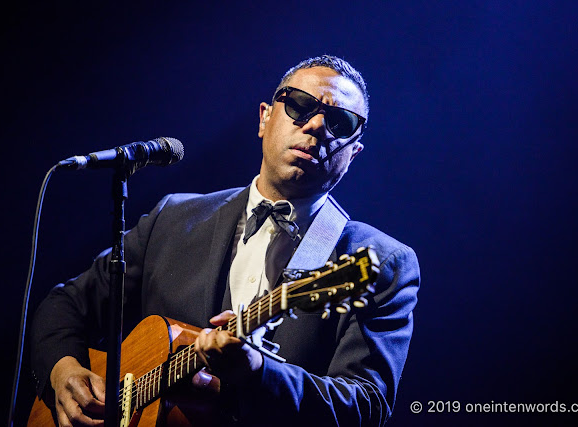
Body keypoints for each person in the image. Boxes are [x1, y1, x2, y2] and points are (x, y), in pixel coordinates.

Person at [30, 55, 421, 427]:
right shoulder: (174, 218)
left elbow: (365, 406)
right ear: (265, 119)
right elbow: (63, 306)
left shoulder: (382, 263)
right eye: (300, 105)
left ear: (353, 153)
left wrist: (258, 372)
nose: (317, 125)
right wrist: (63, 370)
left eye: (340, 121)